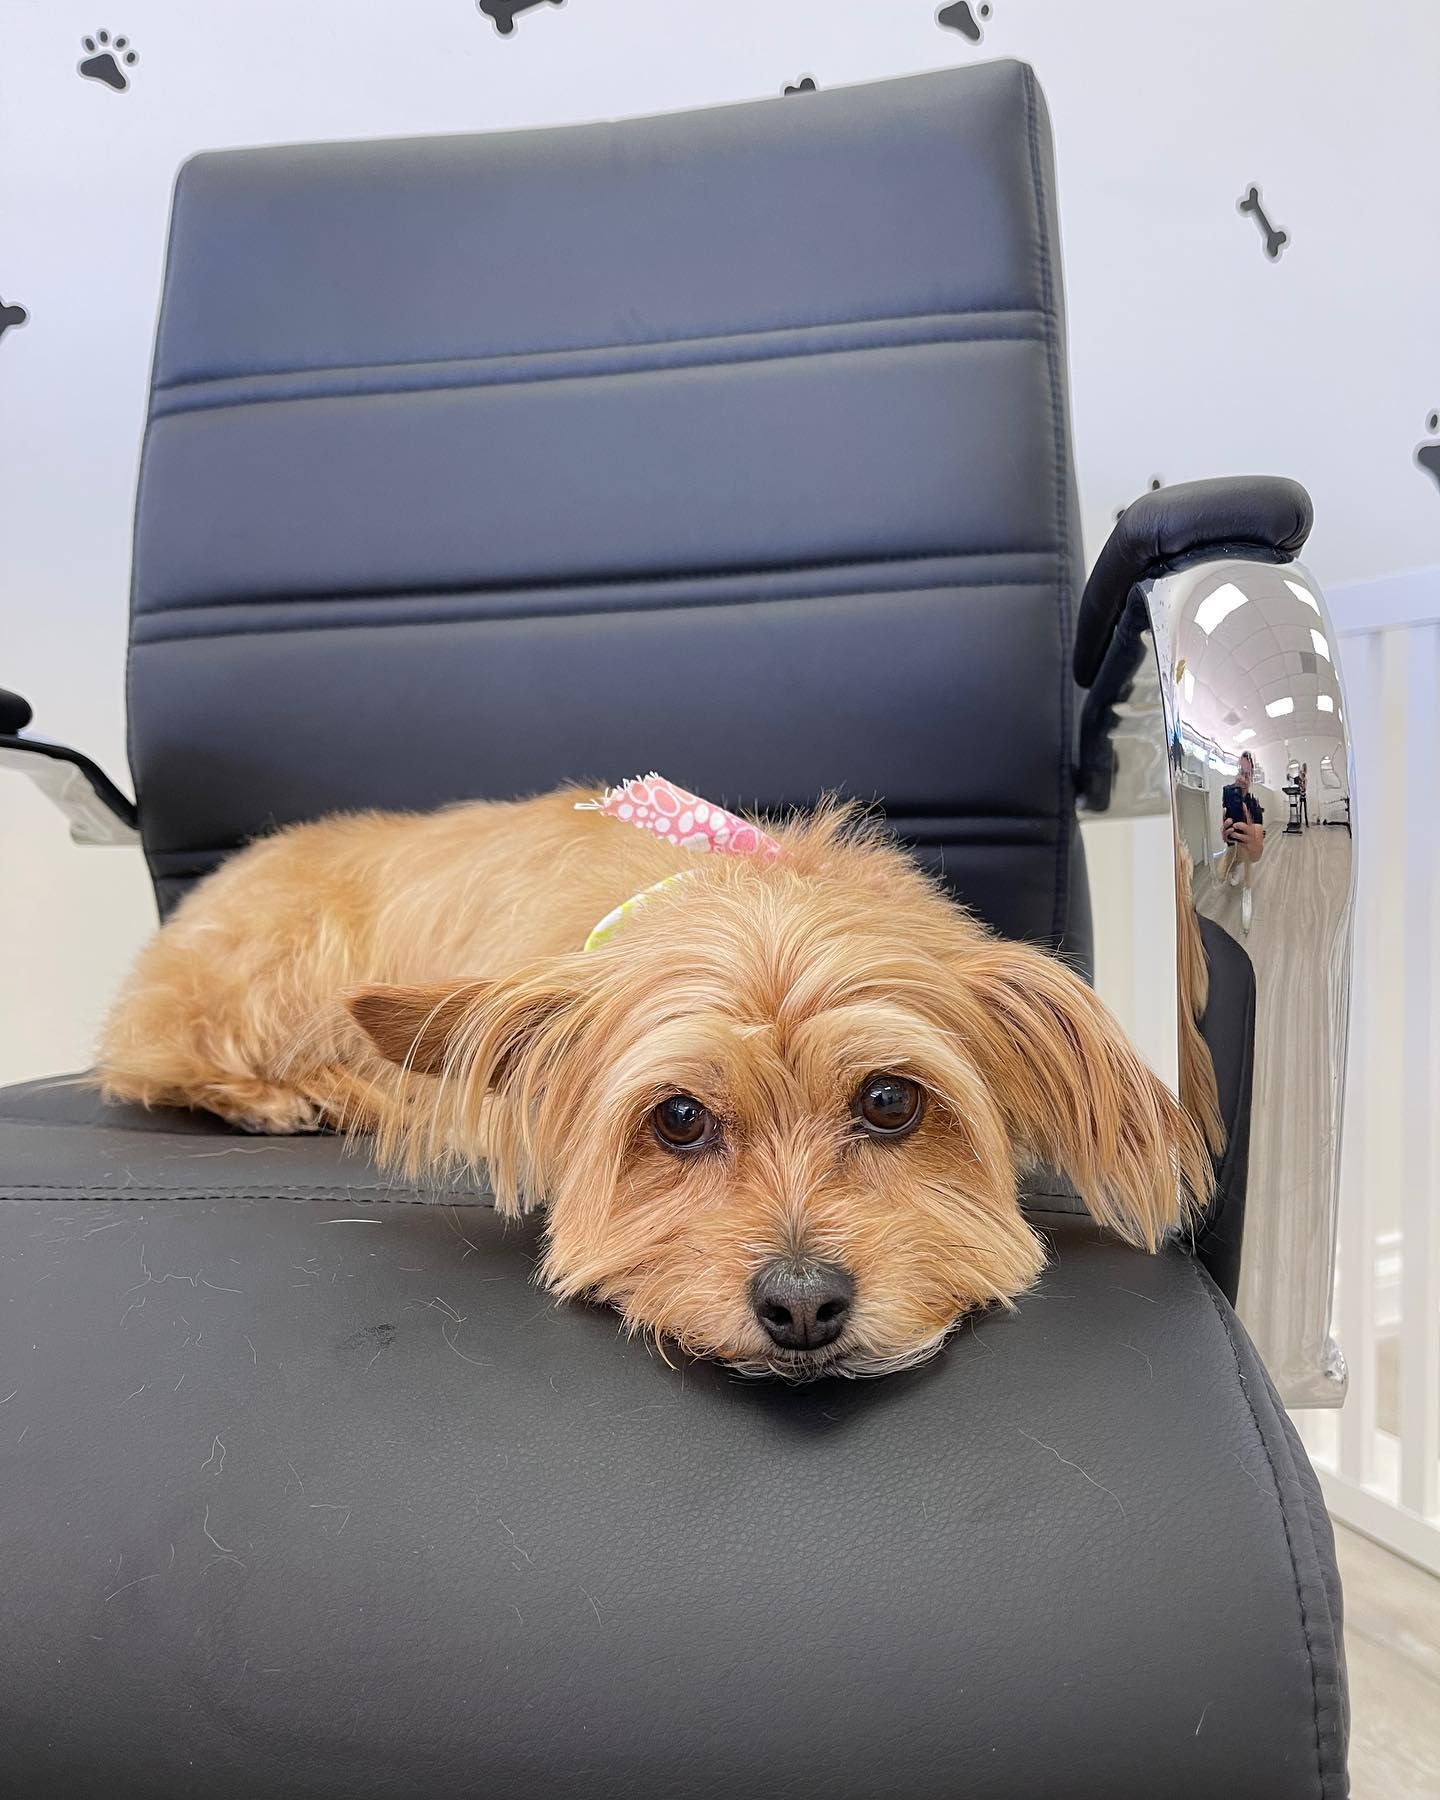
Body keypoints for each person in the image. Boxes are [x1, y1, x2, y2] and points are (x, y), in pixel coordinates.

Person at [1219, 750, 1265, 935]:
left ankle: (1247, 889)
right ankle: (1233, 867)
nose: (1242, 779)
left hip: (1246, 851)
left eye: (1247, 775)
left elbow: (1258, 850)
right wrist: (1225, 836)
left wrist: (1254, 843)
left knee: (1248, 854)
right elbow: (1224, 823)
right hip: (1232, 847)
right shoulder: (1228, 793)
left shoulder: (1254, 804)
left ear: (1251, 778)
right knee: (1220, 875)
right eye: (1240, 772)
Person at [1298, 761, 1309, 828]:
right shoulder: (1300, 781)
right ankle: (1300, 823)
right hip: (1300, 796)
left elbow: (1304, 788)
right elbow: (1300, 788)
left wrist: (1303, 783)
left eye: (1303, 775)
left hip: (1304, 796)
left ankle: (1307, 823)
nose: (1302, 776)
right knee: (1300, 811)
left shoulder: (1305, 780)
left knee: (1305, 810)